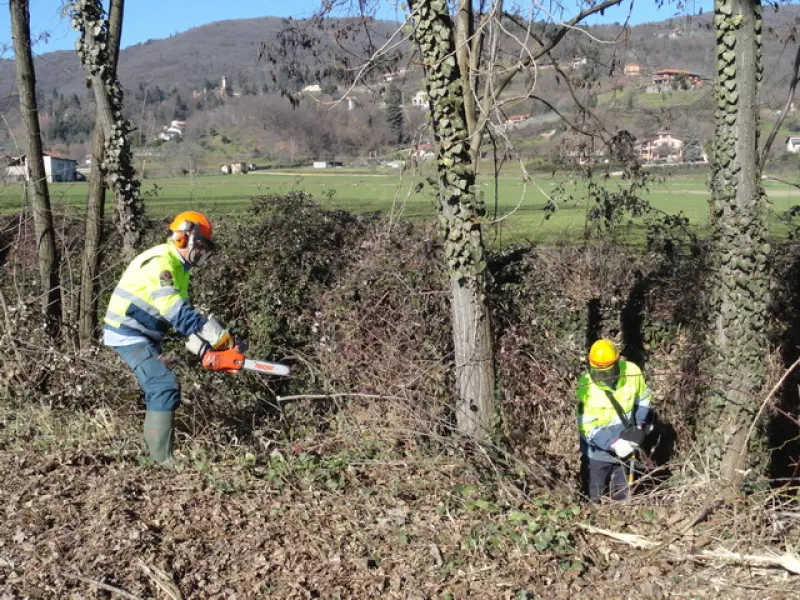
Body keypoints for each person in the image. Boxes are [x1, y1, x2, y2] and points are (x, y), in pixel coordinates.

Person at [103, 211, 244, 466]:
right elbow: (174, 311)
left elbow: (183, 318)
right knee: (163, 386)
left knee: (160, 387)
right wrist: (217, 340)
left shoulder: (180, 268)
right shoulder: (161, 264)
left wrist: (215, 349)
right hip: (128, 333)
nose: (201, 252)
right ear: (183, 239)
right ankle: (160, 462)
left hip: (144, 332)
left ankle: (153, 456)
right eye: (199, 245)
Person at [576, 339, 653, 503]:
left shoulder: (632, 372)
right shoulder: (586, 385)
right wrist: (613, 443)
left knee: (622, 495)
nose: (603, 377)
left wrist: (638, 425)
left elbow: (644, 398)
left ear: (618, 362)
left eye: (607, 372)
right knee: (593, 495)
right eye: (598, 372)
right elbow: (586, 426)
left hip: (626, 448)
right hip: (597, 453)